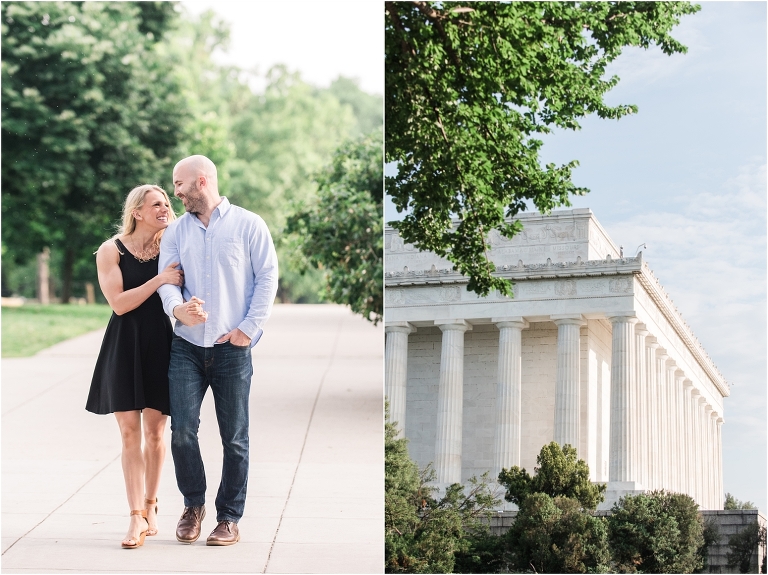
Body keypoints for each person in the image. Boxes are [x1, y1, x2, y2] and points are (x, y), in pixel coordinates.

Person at [157, 155, 278, 546]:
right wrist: (177, 308)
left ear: (202, 181)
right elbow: (168, 280)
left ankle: (229, 517)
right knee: (181, 433)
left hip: (231, 349)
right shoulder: (177, 231)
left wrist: (247, 330)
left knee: (235, 439)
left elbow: (268, 277)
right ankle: (194, 505)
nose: (175, 191)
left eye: (179, 184)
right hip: (187, 348)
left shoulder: (249, 224)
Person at [86, 184, 185, 549]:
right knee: (130, 433)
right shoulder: (110, 250)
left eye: (167, 204)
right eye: (157, 204)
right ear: (137, 212)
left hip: (161, 341)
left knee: (156, 433)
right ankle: (134, 518)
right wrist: (159, 279)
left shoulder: (172, 246)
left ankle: (151, 504)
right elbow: (119, 304)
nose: (165, 209)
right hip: (124, 343)